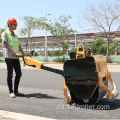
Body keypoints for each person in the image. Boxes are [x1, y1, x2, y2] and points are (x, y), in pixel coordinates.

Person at [1, 18, 25, 98]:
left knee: (19, 73)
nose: (16, 26)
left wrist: (22, 52)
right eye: (15, 24)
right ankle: (11, 92)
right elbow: (6, 45)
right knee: (10, 74)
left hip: (16, 57)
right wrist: (15, 53)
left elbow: (18, 45)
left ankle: (16, 91)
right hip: (9, 57)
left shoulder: (16, 35)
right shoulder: (5, 33)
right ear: (10, 25)